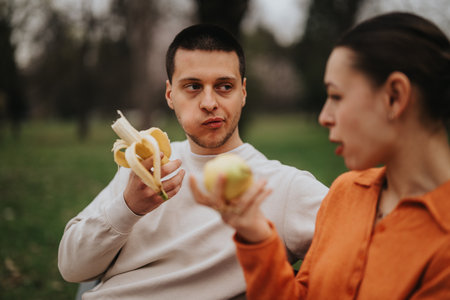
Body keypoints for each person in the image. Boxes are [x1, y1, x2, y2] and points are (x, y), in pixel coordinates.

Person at [58, 24, 328, 299]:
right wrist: (128, 208)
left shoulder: (284, 186)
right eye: (193, 87)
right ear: (169, 95)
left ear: (243, 92)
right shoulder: (143, 170)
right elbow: (72, 268)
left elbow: (361, 247)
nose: (209, 102)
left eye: (225, 86)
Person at [191, 12, 450, 299]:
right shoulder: (345, 192)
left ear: (394, 96)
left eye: (336, 96)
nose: (325, 117)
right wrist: (255, 233)